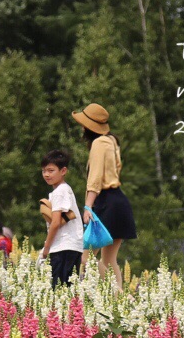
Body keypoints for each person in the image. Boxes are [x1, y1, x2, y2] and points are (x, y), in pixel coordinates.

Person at [72, 103, 135, 284]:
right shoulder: (111, 141)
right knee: (109, 260)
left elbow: (96, 177)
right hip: (119, 201)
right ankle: (120, 299)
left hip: (106, 202)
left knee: (86, 257)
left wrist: (88, 207)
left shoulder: (99, 144)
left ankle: (120, 294)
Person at [38, 149, 83, 286]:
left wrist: (46, 249)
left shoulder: (60, 191)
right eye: (44, 171)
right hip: (72, 246)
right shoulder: (64, 189)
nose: (46, 174)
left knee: (59, 290)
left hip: (63, 247)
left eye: (51, 171)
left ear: (63, 171)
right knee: (69, 289)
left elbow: (56, 222)